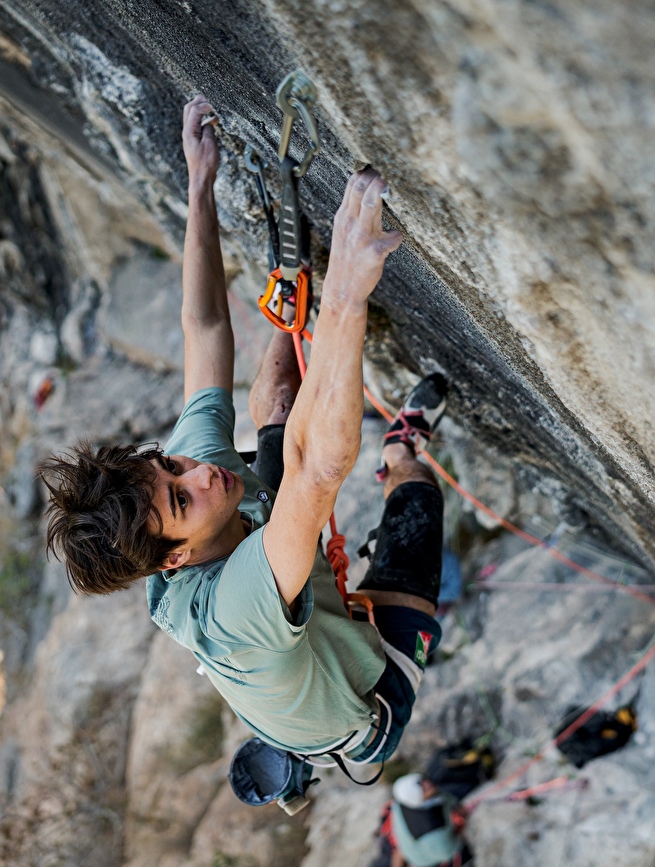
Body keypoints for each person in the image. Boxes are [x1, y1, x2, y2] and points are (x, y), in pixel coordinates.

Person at [37, 95, 447, 772]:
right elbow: (318, 470)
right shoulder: (231, 611)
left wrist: (199, 184)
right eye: (181, 497)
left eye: (171, 465)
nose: (199, 473)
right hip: (369, 697)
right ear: (174, 558)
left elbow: (203, 331)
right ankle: (402, 448)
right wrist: (345, 295)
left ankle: (297, 305)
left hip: (274, 578)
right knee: (417, 498)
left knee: (277, 403)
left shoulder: (179, 499)